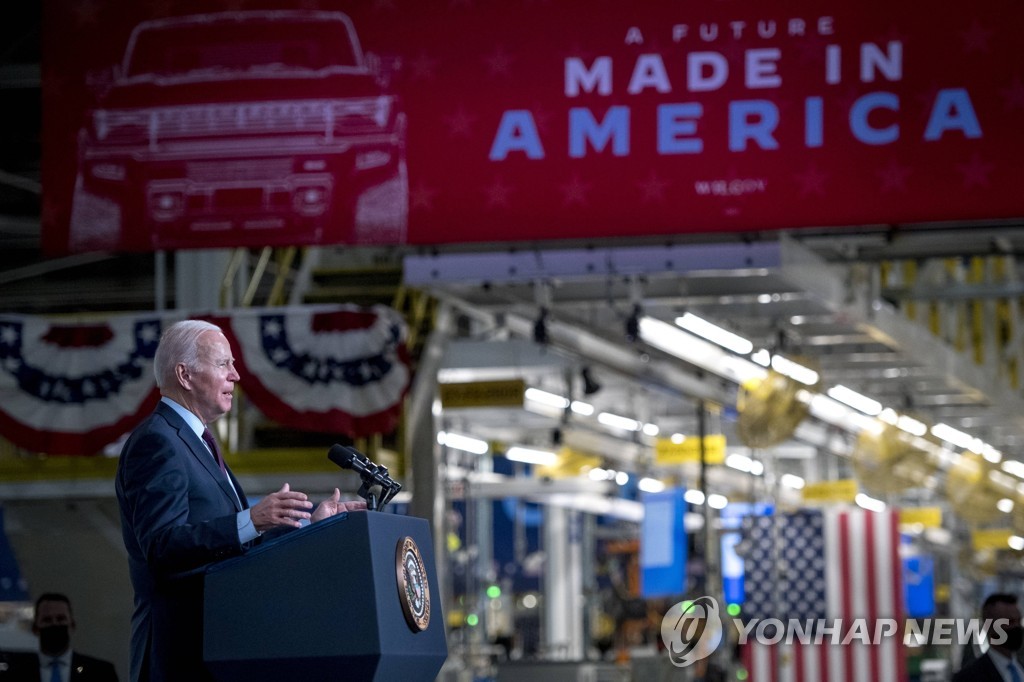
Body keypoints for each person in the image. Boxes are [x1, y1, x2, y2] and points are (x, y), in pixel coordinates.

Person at [115, 319, 363, 682]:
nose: (236, 376)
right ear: (184, 374)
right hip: (179, 654)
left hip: (218, 647)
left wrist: (311, 527)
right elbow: (161, 545)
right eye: (223, 364)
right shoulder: (158, 441)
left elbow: (237, 551)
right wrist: (251, 520)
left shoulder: (198, 441)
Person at [0, 592, 118, 681]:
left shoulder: (101, 672)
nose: (55, 624)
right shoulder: (15, 673)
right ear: (35, 628)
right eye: (47, 620)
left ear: (72, 625)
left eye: (61, 619)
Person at [954, 592, 1024, 681]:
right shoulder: (968, 677)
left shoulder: (1020, 668)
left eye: (1019, 621)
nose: (1016, 627)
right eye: (1010, 622)